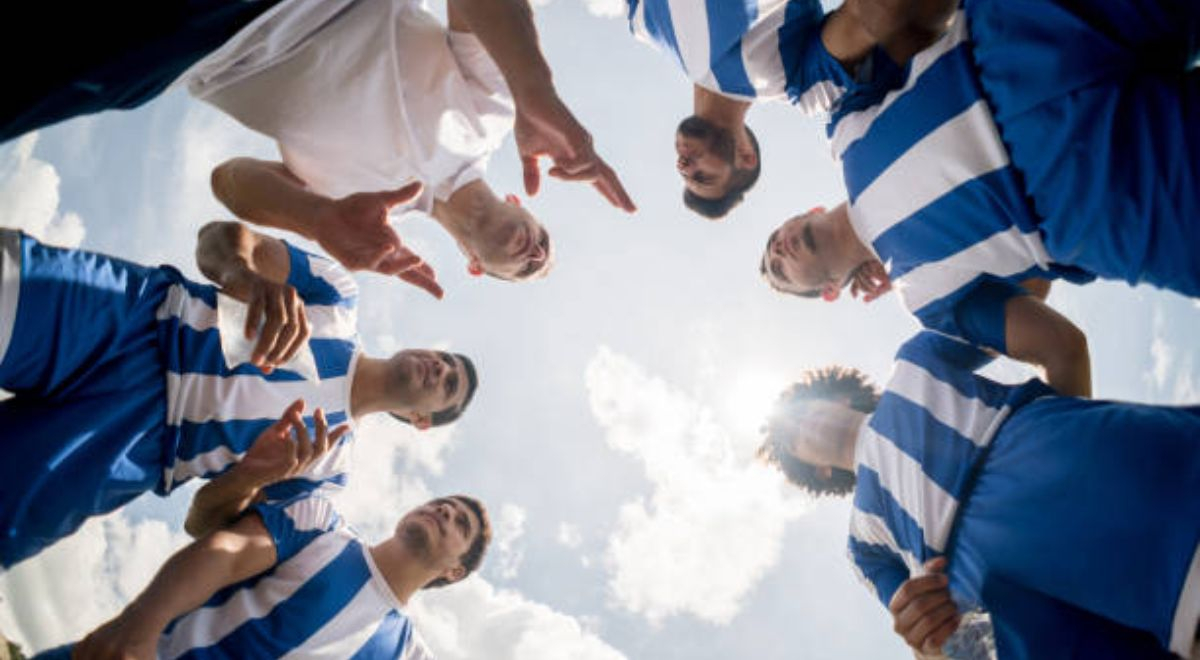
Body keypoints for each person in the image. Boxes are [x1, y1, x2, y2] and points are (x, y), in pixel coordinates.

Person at [2, 0, 632, 288]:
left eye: (525, 268)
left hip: (190, 57)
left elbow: (229, 180)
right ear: (522, 203)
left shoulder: (365, 220)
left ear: (475, 266)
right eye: (543, 243)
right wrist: (534, 86)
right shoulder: (492, 115)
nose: (532, 252)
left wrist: (314, 216)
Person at [761, 0, 1199, 396]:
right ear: (831, 291)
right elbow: (1059, 348)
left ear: (808, 211)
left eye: (770, 243)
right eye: (781, 270)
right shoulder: (928, 304)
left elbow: (898, 17)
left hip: (1021, 32)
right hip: (1101, 200)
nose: (778, 251)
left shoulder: (841, 127)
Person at [0, 216, 479, 569]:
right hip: (132, 319)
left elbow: (203, 524)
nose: (440, 366)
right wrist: (240, 273)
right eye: (446, 358)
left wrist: (248, 477)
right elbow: (215, 238)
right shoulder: (337, 295)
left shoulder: (324, 475)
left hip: (135, 447)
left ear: (421, 421)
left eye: (450, 383)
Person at [757, 331, 1200, 658]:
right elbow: (930, 639)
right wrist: (923, 635)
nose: (803, 426)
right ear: (818, 468)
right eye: (794, 439)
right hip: (1035, 611)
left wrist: (1064, 452)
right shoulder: (862, 543)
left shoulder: (913, 362)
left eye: (803, 411)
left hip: (1131, 482)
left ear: (838, 398)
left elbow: (1036, 315)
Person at [45, 493, 491, 659]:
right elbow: (226, 554)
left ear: (454, 572)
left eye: (461, 525)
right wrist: (137, 631)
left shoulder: (407, 655)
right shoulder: (323, 525)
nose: (446, 510)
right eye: (443, 503)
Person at [626, 0, 945, 219]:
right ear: (746, 157)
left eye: (682, 174)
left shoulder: (644, 23)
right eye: (703, 177)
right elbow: (876, 14)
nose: (684, 166)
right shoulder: (797, 84)